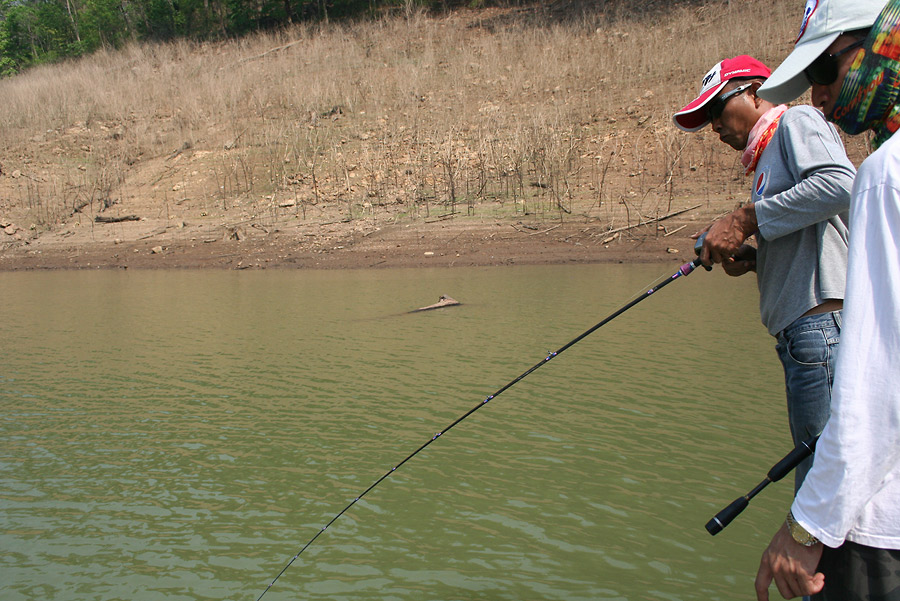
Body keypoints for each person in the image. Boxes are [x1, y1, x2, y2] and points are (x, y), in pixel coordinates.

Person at [753, 0, 900, 599]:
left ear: (884, 40)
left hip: (882, 529)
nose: (818, 99)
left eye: (823, 71)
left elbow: (878, 377)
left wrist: (808, 522)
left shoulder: (885, 174)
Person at [673, 55, 855, 490]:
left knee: (822, 481)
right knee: (819, 476)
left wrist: (742, 221)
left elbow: (840, 184)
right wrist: (758, 259)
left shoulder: (797, 123)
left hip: (819, 329)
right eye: (708, 117)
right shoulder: (766, 159)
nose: (714, 125)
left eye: (717, 108)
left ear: (756, 92)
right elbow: (809, 234)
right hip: (803, 336)